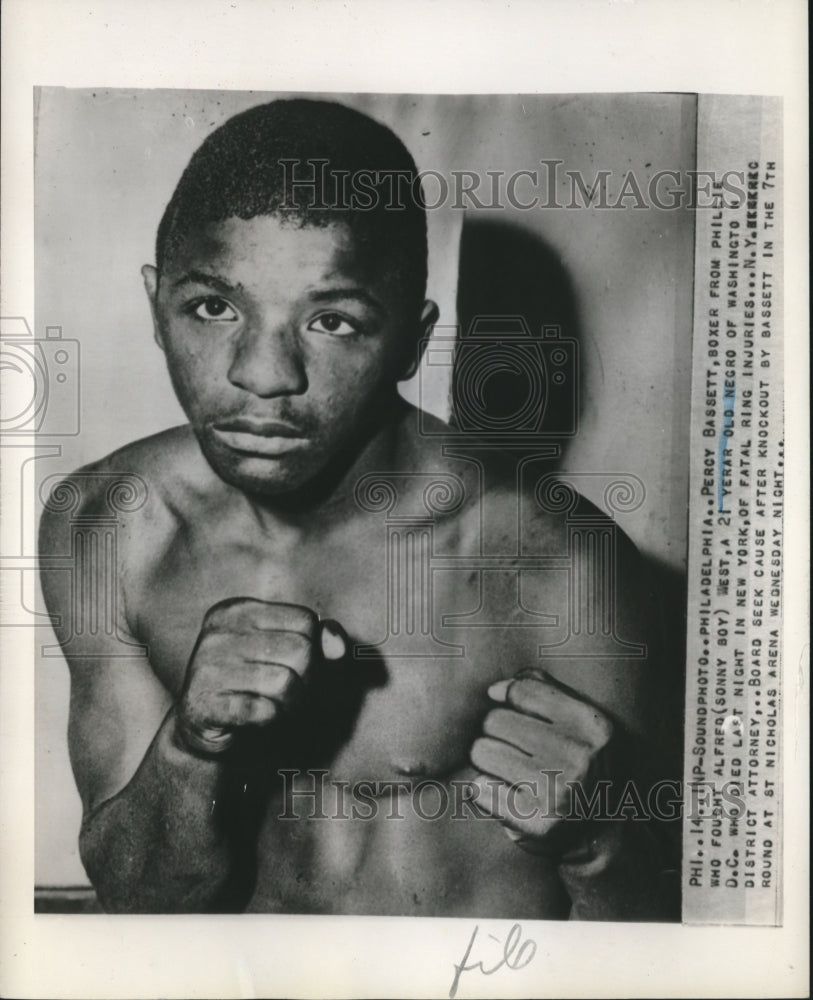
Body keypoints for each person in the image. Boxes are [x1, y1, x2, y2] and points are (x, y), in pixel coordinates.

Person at [39, 98, 676, 917]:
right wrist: (193, 747)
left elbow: (659, 938)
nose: (264, 376)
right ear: (156, 307)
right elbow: (144, 899)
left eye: (332, 321)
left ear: (411, 341)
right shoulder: (110, 524)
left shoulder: (552, 560)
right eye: (213, 307)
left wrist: (597, 844)